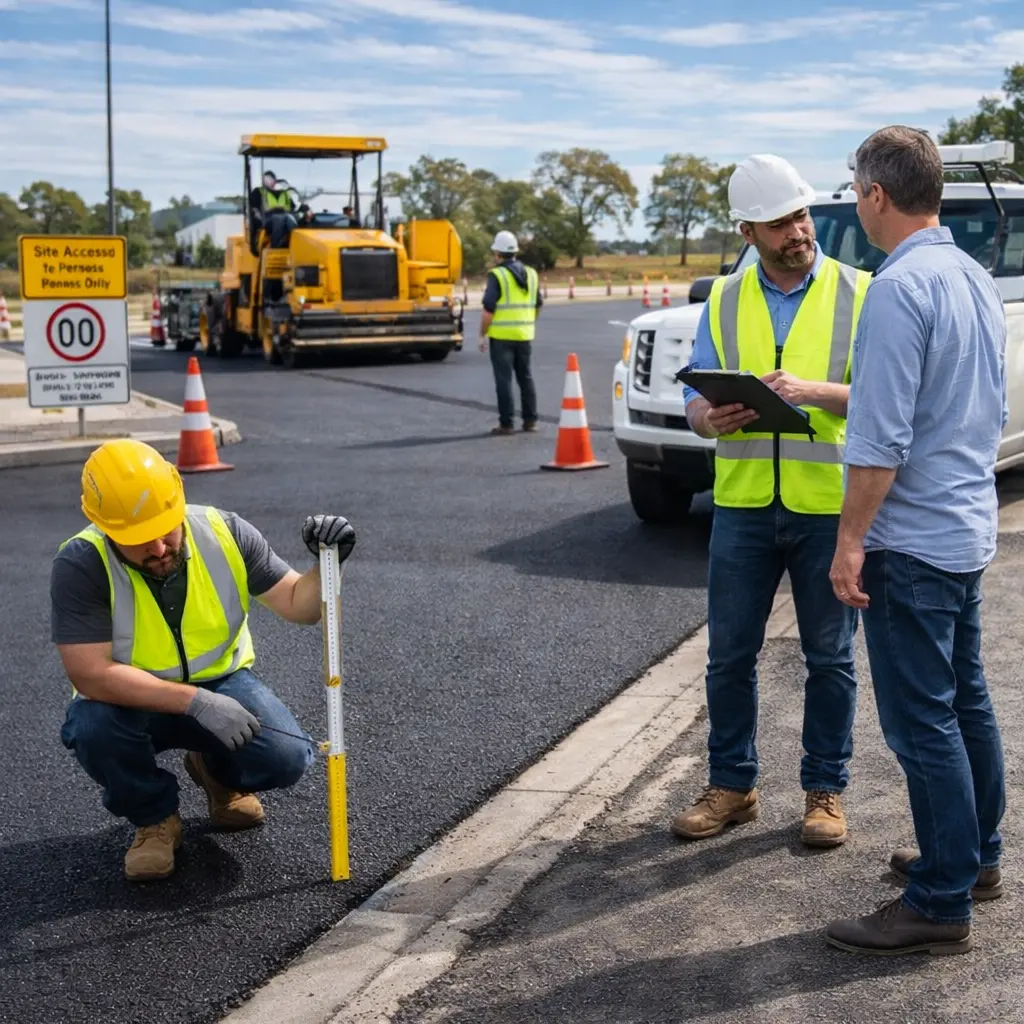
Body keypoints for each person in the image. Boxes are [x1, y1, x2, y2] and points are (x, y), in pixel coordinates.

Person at [827, 126, 1007, 956]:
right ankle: (972, 861)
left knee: (921, 723)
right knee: (965, 705)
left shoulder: (897, 289)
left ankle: (938, 901)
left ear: (874, 196)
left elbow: (882, 438)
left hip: (912, 539)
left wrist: (851, 540)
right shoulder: (971, 275)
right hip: (966, 525)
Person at [671, 155, 872, 848]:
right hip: (745, 504)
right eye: (781, 221)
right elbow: (694, 395)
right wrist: (706, 418)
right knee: (728, 655)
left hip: (826, 506)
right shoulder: (724, 299)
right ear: (748, 231)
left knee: (831, 658)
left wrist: (813, 392)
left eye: (801, 215)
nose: (798, 230)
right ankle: (733, 786)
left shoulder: (860, 292)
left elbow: (883, 397)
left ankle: (825, 791)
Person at [52, 439, 356, 882]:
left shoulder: (223, 531)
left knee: (288, 757)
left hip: (222, 684)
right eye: (138, 540)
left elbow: (299, 605)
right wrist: (196, 703)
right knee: (93, 729)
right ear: (104, 528)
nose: (157, 547)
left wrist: (327, 565)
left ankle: (216, 774)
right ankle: (154, 818)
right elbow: (90, 673)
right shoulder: (82, 563)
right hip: (127, 700)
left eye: (165, 529)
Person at [478, 231, 543, 436]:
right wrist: (529, 322)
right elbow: (538, 304)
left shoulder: (497, 275)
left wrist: (482, 334)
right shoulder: (531, 274)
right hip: (524, 335)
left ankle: (506, 424)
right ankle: (530, 421)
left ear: (498, 253)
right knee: (525, 377)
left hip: (502, 337)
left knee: (503, 380)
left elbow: (489, 309)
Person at [248, 170, 295, 249]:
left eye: (271, 179)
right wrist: (259, 220)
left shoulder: (285, 193)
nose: (270, 181)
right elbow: (254, 210)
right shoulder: (259, 192)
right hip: (266, 220)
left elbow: (293, 207)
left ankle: (297, 242)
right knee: (278, 218)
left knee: (290, 219)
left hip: (285, 217)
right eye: (267, 179)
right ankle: (275, 246)